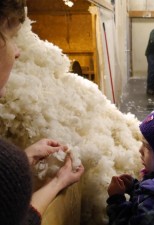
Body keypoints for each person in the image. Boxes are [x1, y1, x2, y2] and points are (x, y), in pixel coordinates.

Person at [0, 0, 84, 224]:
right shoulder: (7, 168)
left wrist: (23, 158)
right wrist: (57, 182)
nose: (17, 52)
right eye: (10, 37)